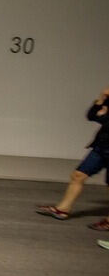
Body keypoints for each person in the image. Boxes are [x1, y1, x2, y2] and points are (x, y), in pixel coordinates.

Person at [36, 86, 109, 231]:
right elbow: (92, 116)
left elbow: (104, 119)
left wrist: (104, 114)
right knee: (78, 175)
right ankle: (62, 209)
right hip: (101, 147)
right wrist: (101, 98)